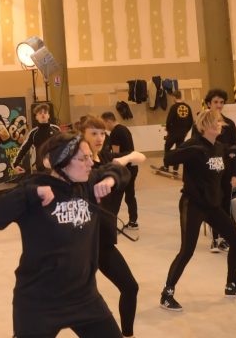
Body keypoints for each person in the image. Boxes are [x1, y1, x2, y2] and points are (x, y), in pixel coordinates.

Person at [0, 133, 128, 338]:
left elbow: (119, 169)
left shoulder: (87, 183)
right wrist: (30, 194)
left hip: (84, 298)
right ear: (59, 162)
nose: (89, 163)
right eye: (82, 159)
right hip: (39, 302)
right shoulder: (34, 188)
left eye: (89, 157)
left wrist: (111, 180)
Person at [160, 109, 236, 312]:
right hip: (192, 204)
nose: (219, 125)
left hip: (212, 205)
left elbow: (221, 172)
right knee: (187, 251)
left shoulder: (219, 147)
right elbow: (168, 159)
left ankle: (231, 285)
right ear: (205, 127)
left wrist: (232, 160)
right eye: (215, 123)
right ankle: (167, 294)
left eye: (219, 122)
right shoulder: (194, 145)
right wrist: (190, 153)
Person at [81, 118, 145, 338]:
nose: (99, 138)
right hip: (83, 244)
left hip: (104, 241)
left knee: (130, 287)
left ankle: (127, 335)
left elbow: (139, 158)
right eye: (93, 134)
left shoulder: (109, 158)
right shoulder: (81, 166)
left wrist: (123, 159)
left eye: (101, 133)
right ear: (82, 136)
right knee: (70, 299)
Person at [197, 88, 236, 253]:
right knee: (213, 205)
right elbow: (199, 148)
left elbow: (235, 150)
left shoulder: (230, 124)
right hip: (210, 172)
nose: (219, 105)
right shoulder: (201, 124)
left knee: (225, 205)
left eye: (222, 102)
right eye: (215, 102)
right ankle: (215, 239)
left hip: (227, 171)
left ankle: (225, 238)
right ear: (208, 103)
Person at [100, 112, 139, 229]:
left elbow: (116, 154)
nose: (105, 127)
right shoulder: (124, 128)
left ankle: (111, 225)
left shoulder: (115, 132)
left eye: (104, 124)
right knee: (130, 195)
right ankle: (133, 221)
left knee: (115, 198)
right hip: (133, 166)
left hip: (124, 169)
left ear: (108, 121)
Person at [13, 102, 57, 174]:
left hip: (55, 169)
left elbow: (63, 147)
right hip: (40, 169)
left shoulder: (56, 130)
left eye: (45, 112)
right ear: (36, 117)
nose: (43, 114)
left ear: (48, 115)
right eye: (40, 113)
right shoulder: (33, 133)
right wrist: (15, 164)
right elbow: (23, 149)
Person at [161, 90, 194, 176]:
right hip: (182, 133)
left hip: (173, 132)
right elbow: (191, 121)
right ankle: (175, 169)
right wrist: (186, 131)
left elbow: (169, 120)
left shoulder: (174, 107)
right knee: (179, 150)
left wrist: (168, 130)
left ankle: (166, 166)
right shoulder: (187, 107)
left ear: (174, 97)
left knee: (167, 147)